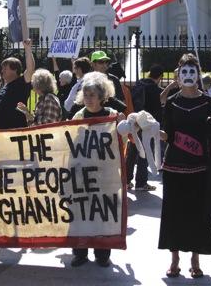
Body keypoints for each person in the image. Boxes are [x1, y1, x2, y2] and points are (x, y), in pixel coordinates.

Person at [158, 54, 211, 279]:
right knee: (173, 213)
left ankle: (195, 258)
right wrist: (150, 129)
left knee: (197, 213)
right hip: (174, 166)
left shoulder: (208, 102)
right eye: (184, 72)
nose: (189, 75)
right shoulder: (172, 102)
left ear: (198, 75)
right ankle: (174, 260)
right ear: (178, 75)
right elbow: (167, 134)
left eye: (193, 71)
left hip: (199, 167)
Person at [70, 71, 124, 268]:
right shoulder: (78, 116)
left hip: (105, 175)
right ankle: (80, 252)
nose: (88, 99)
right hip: (83, 175)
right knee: (81, 213)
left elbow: (122, 144)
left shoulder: (112, 116)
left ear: (102, 96)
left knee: (103, 215)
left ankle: (102, 254)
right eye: (85, 95)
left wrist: (123, 125)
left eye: (92, 95)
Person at [126, 64, 163, 191]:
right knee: (145, 153)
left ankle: (126, 180)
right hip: (147, 125)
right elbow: (157, 108)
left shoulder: (139, 84)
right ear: (160, 77)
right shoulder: (153, 88)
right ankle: (141, 183)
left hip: (135, 122)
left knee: (132, 152)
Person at [0, 39, 35, 130]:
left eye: (5, 68)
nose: (2, 71)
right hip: (0, 132)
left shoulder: (21, 83)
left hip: (15, 132)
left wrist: (28, 49)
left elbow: (30, 69)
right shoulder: (4, 86)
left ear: (15, 70)